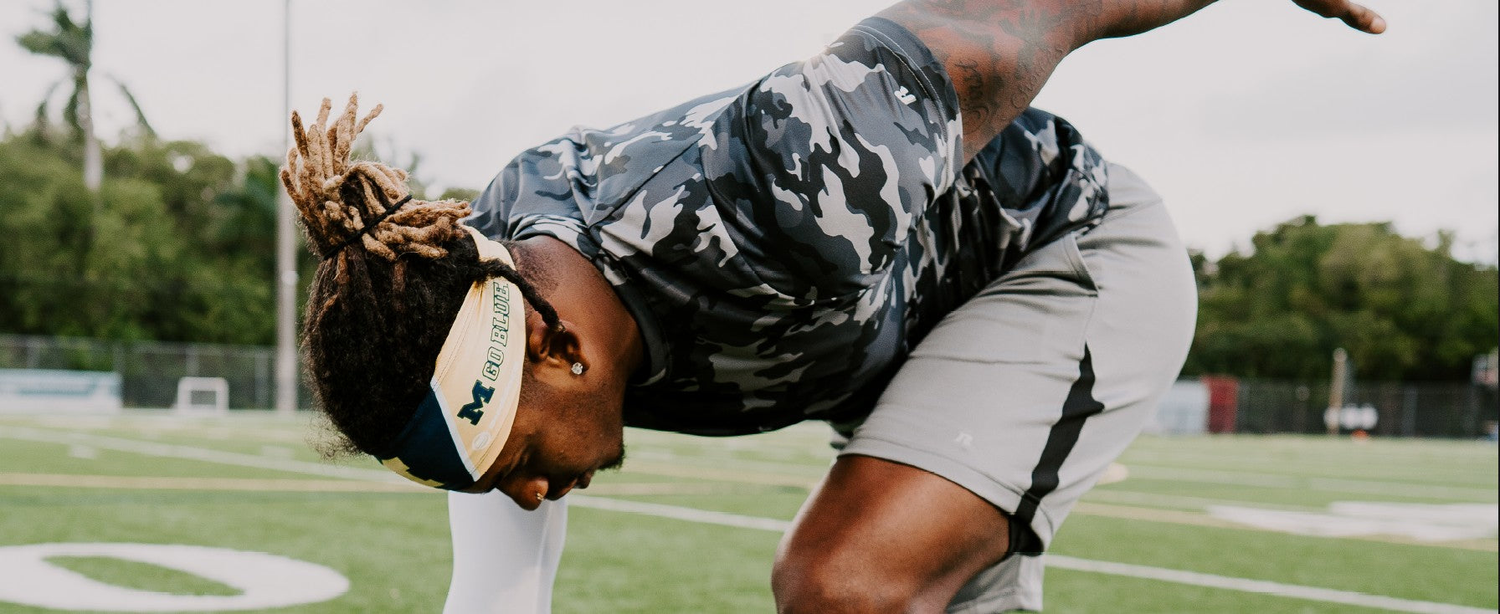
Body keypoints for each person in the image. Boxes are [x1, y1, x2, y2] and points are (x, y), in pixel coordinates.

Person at [279, 0, 1385, 611]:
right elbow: (497, 598)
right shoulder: (480, 305)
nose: (524, 491)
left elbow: (1040, 11)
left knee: (845, 584)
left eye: (514, 456)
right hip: (906, 345)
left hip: (1067, 261)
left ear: (559, 347)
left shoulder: (794, 165)